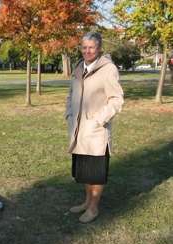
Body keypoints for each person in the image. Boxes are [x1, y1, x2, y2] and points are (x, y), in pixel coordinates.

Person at [65, 32, 124, 223]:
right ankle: (86, 201)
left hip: (96, 132)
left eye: (91, 47)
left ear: (99, 49)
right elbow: (71, 94)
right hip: (78, 130)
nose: (87, 51)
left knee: (96, 173)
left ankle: (93, 208)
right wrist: (69, 113)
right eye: (84, 47)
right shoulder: (78, 67)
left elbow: (116, 100)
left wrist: (98, 120)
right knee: (84, 171)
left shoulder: (108, 69)